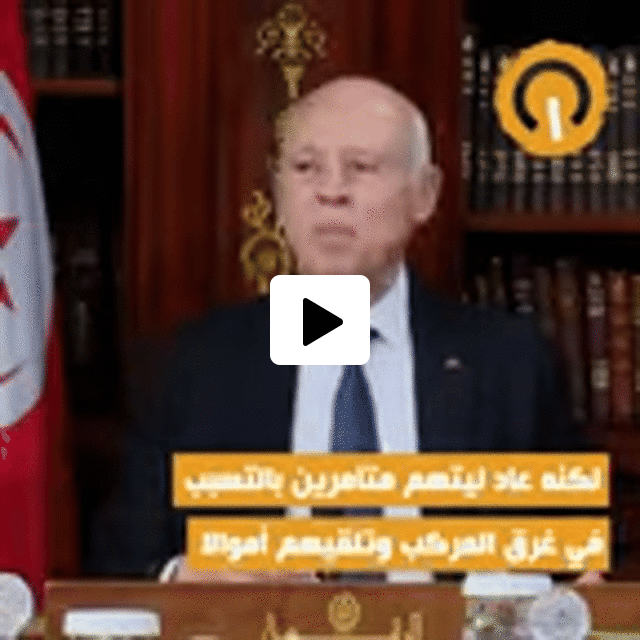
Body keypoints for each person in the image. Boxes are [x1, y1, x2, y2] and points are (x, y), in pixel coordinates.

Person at [89, 75, 601, 584]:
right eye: (305, 168)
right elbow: (121, 567)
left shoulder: (512, 365)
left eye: (361, 167)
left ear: (425, 194)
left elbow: (573, 570)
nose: (330, 192)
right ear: (278, 193)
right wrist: (186, 578)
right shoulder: (195, 366)